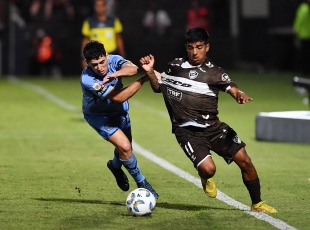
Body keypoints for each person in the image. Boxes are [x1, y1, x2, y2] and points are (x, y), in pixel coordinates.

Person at [140, 27, 277, 212]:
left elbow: (233, 88)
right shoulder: (175, 66)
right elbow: (158, 88)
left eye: (199, 47)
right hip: (187, 131)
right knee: (208, 169)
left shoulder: (214, 72)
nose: (194, 52)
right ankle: (205, 176)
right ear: (186, 48)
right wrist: (149, 71)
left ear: (207, 47)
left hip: (214, 127)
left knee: (245, 160)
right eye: (190, 47)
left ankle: (257, 203)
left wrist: (239, 95)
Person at [81, 40, 158, 198]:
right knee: (124, 146)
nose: (100, 68)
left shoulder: (114, 60)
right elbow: (120, 97)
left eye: (102, 62)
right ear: (87, 63)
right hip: (99, 116)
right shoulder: (88, 79)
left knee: (125, 146)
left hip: (119, 112)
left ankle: (115, 166)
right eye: (94, 64)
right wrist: (145, 79)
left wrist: (115, 74)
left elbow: (133, 69)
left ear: (107, 56)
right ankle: (143, 184)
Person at [81, 0, 125, 69]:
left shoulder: (113, 21)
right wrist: (83, 57)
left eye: (101, 6)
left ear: (105, 7)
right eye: (97, 6)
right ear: (94, 7)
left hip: (111, 54)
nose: (99, 8)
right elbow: (85, 40)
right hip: (95, 55)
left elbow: (118, 39)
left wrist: (122, 54)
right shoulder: (89, 22)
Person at [294, 0, 310, 75]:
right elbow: (299, 18)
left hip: (307, 34)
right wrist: (296, 28)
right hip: (304, 35)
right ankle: (304, 71)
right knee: (304, 54)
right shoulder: (303, 7)